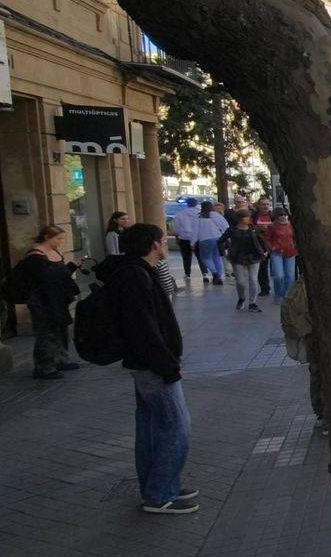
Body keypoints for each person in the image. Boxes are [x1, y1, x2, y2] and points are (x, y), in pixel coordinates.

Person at [101, 224, 194, 515]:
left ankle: (160, 485)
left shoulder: (136, 271)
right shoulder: (134, 275)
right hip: (152, 365)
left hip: (148, 363)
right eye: (163, 240)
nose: (165, 244)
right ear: (154, 244)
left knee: (153, 428)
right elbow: (143, 328)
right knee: (175, 427)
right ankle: (159, 493)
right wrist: (166, 364)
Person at [19, 224, 81, 379]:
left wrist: (71, 268)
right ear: (47, 237)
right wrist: (70, 267)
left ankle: (60, 359)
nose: (61, 242)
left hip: (57, 297)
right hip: (42, 299)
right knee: (46, 331)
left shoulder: (53, 252)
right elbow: (46, 278)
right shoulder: (35, 255)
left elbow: (58, 275)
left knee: (60, 328)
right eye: (58, 238)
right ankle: (44, 365)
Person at [221, 211, 268, 312]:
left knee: (253, 280)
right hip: (237, 257)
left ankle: (252, 303)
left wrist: (265, 251)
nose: (249, 219)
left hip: (254, 256)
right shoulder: (231, 230)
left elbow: (261, 240)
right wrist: (223, 252)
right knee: (240, 282)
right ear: (240, 218)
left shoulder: (253, 229)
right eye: (246, 217)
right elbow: (220, 241)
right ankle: (241, 298)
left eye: (249, 217)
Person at [265, 208, 298, 300]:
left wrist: (295, 247)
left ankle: (288, 295)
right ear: (276, 216)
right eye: (280, 215)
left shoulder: (291, 225)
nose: (283, 216)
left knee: (290, 275)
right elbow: (267, 239)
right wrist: (272, 248)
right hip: (277, 252)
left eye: (284, 214)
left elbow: (296, 237)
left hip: (290, 252)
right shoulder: (272, 226)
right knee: (279, 275)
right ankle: (279, 294)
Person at [196, 201, 227, 285]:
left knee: (205, 258)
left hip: (204, 239)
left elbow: (195, 231)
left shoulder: (199, 217)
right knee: (217, 257)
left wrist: (192, 242)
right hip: (217, 238)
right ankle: (219, 276)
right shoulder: (216, 215)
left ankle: (214, 272)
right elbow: (225, 226)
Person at [171, 199, 201, 281]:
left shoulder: (180, 214)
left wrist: (177, 236)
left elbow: (176, 228)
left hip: (184, 237)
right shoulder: (200, 214)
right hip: (198, 237)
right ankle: (204, 272)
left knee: (186, 257)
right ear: (196, 204)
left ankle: (187, 273)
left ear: (187, 204)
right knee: (200, 256)